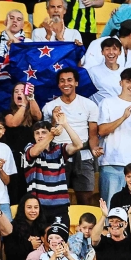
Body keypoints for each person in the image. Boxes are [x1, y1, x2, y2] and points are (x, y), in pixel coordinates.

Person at [42, 68, 101, 207]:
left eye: (69, 80)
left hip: (83, 155)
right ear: (58, 84)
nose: (66, 84)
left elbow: (93, 135)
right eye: (62, 81)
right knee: (56, 198)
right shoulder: (49, 107)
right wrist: (54, 119)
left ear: (76, 83)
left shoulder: (89, 105)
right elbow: (46, 135)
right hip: (58, 155)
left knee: (85, 200)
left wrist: (94, 150)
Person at [98, 68, 131, 202]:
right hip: (112, 162)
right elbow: (102, 131)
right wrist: (123, 117)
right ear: (121, 83)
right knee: (111, 206)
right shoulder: (107, 103)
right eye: (128, 81)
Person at [23, 113, 84, 224]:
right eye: (37, 133)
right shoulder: (29, 147)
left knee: (59, 235)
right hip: (38, 206)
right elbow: (35, 152)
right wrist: (51, 135)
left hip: (60, 205)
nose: (40, 136)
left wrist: (65, 124)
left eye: (44, 132)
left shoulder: (59, 148)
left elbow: (78, 145)